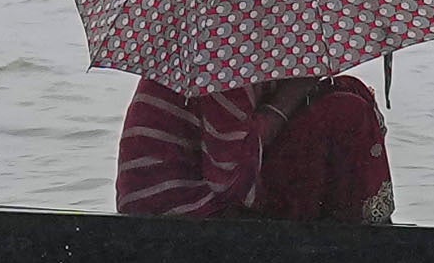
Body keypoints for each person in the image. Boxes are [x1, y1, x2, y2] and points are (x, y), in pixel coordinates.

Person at [114, 71, 393, 221]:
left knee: (346, 91)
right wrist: (294, 91)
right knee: (345, 111)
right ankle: (362, 240)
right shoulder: (225, 60)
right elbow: (232, 180)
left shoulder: (250, 48)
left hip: (213, 189)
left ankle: (356, 230)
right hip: (180, 209)